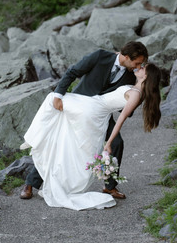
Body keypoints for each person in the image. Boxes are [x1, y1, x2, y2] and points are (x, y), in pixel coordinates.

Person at [22, 62, 162, 210]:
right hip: (93, 104)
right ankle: (37, 142)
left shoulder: (135, 94)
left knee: (53, 99)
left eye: (142, 69)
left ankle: (33, 139)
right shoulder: (135, 87)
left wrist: (109, 142)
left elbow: (121, 121)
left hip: (93, 110)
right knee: (60, 122)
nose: (138, 68)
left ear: (146, 76)